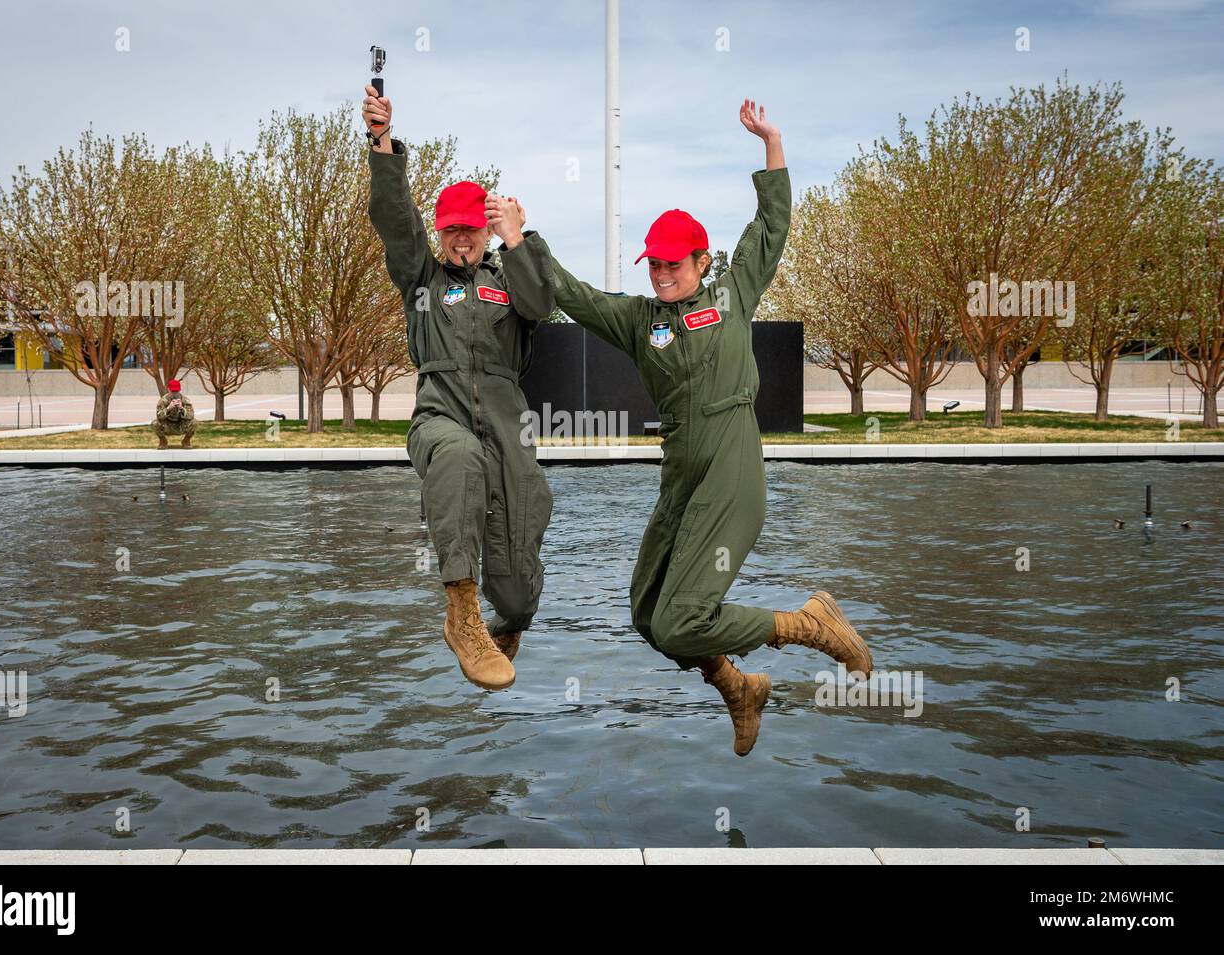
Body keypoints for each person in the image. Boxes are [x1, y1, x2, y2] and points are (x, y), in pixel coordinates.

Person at [547, 100, 874, 755]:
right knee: (648, 614)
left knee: (680, 620)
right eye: (656, 264)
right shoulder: (643, 320)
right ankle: (737, 685)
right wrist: (523, 241)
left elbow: (771, 225)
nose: (664, 274)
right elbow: (575, 296)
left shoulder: (731, 295)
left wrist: (772, 142)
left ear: (701, 261)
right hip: (681, 478)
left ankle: (808, 623)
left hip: (730, 470)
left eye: (676, 263)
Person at [363, 85, 556, 692]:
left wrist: (518, 238)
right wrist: (383, 143)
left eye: (472, 229)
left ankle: (504, 622)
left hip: (507, 425)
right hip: (440, 414)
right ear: (440, 234)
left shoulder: (511, 277)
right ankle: (461, 615)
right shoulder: (421, 277)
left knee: (521, 588)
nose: (461, 240)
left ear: (486, 230)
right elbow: (396, 220)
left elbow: (543, 303)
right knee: (458, 457)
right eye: (451, 230)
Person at [153, 379, 195, 448]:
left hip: (180, 425)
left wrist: (182, 408)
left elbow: (191, 416)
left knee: (194, 423)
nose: (175, 393)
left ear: (180, 390)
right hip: (167, 425)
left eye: (176, 391)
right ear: (168, 389)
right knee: (155, 423)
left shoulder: (185, 400)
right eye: (173, 391)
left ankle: (186, 441)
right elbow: (159, 417)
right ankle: (163, 441)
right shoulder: (163, 400)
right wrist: (168, 408)